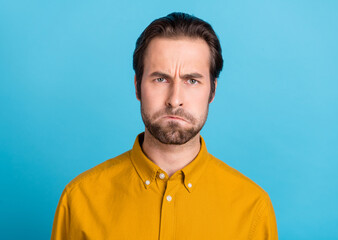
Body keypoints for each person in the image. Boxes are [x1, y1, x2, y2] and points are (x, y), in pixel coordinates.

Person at [51, 12, 278, 240]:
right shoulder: (79, 199)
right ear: (137, 86)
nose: (174, 99)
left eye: (192, 81)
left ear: (213, 91)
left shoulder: (253, 208)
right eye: (161, 79)